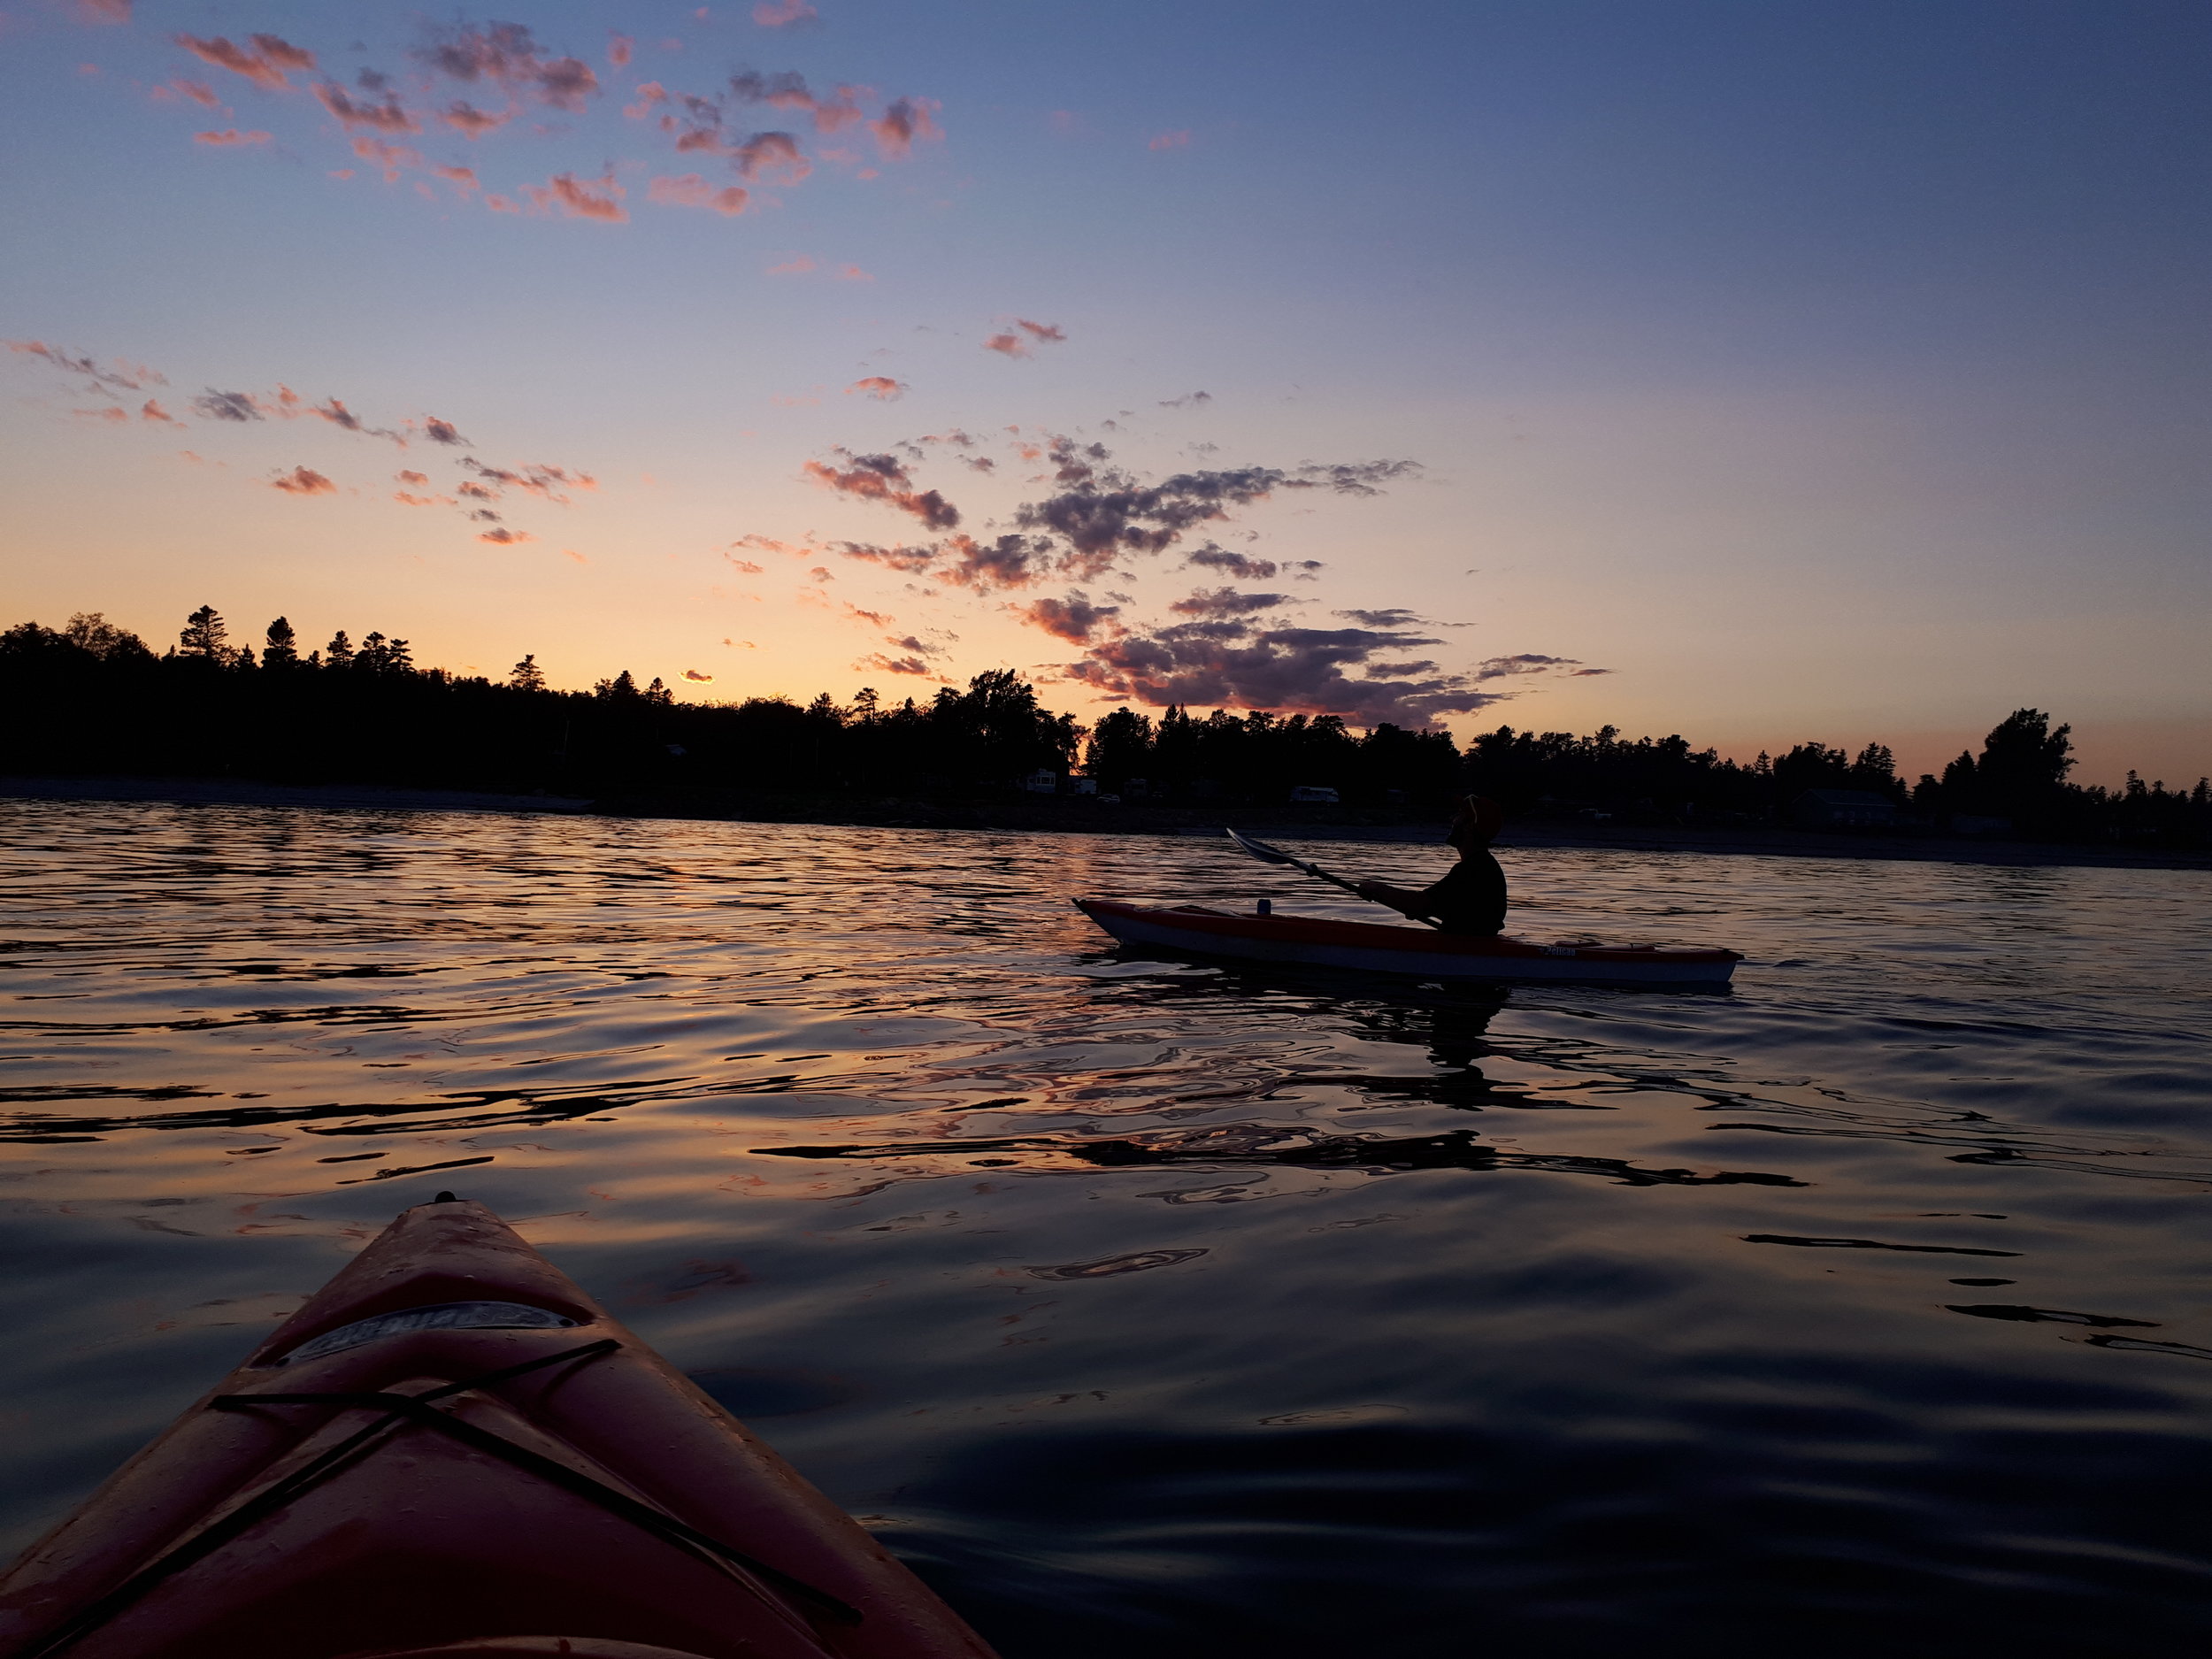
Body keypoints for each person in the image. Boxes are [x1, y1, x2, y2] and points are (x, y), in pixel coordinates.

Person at [1355, 795, 1508, 935]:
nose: (1452, 818)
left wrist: (1376, 889)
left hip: (1466, 952)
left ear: (1469, 826)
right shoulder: (1483, 866)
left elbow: (1419, 905)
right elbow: (1432, 906)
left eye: (1459, 815)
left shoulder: (1474, 870)